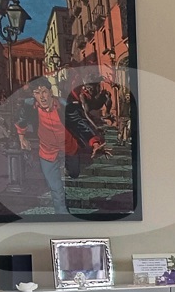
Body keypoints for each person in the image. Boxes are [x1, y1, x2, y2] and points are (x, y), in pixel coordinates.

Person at [14, 76, 106, 213]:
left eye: (44, 92)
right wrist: (22, 138)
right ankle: (62, 214)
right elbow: (22, 121)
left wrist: (95, 142)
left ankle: (69, 169)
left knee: (74, 173)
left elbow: (80, 124)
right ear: (33, 95)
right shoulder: (28, 106)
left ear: (51, 92)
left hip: (69, 147)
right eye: (37, 93)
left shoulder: (65, 106)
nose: (42, 97)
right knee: (56, 188)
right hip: (47, 151)